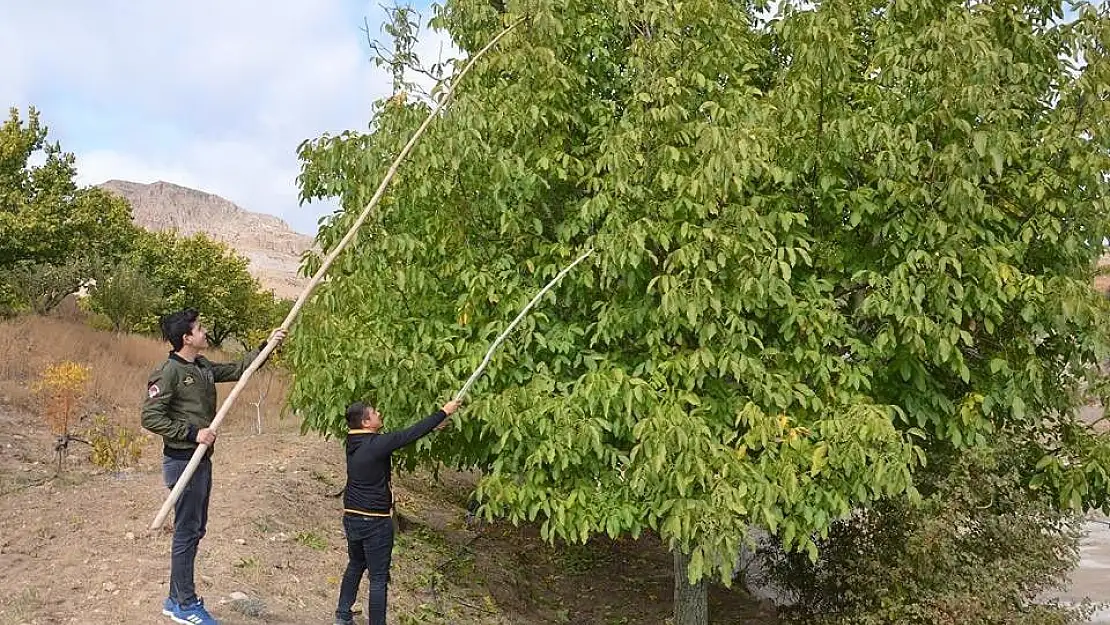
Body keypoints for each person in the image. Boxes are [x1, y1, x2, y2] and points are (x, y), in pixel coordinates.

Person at [141, 307, 286, 625]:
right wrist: (194, 433)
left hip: (202, 461)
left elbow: (238, 369)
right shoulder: (168, 372)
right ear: (186, 338)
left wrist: (266, 346)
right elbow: (150, 417)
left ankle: (175, 598)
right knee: (187, 532)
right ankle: (184, 604)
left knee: (194, 530)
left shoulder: (202, 365)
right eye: (200, 328)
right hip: (182, 462)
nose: (205, 332)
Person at [334, 397, 462, 625]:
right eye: (374, 412)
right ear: (366, 422)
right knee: (378, 578)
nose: (379, 413)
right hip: (375, 522)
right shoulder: (374, 445)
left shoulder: (353, 443)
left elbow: (397, 440)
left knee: (356, 564)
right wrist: (443, 411)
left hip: (352, 516)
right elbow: (406, 435)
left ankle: (343, 615)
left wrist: (432, 427)